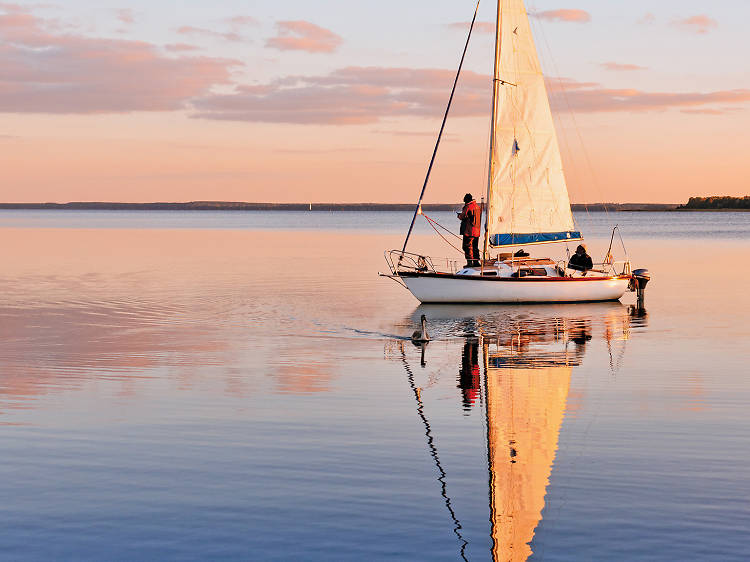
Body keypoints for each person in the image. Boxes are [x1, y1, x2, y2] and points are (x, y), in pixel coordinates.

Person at [458, 193, 482, 267]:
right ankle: (476, 262)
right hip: (477, 231)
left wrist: (459, 215)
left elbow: (462, 216)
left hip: (469, 231)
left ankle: (470, 263)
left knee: (467, 247)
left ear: (466, 200)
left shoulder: (468, 206)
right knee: (475, 247)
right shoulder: (477, 207)